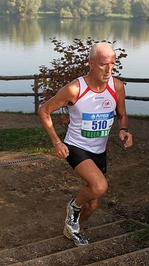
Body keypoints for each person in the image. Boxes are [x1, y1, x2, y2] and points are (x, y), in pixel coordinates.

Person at [38, 42, 133, 246]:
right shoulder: (75, 89)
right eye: (103, 64)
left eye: (112, 64)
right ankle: (73, 206)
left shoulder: (116, 86)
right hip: (76, 147)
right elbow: (44, 111)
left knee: (92, 204)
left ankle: (72, 227)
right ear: (90, 63)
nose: (109, 70)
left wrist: (124, 130)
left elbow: (122, 115)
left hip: (100, 151)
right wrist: (56, 142)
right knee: (99, 186)